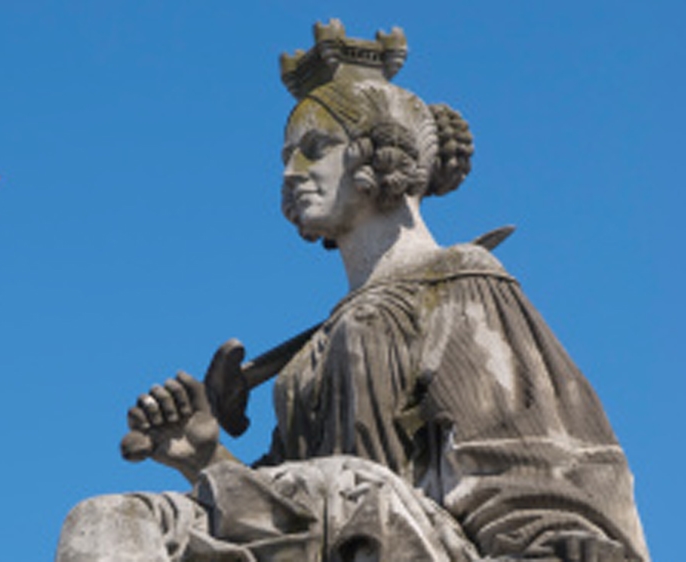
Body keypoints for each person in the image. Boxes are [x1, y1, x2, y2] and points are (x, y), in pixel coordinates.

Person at [56, 21, 649, 562]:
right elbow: (284, 516)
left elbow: (537, 465)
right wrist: (205, 458)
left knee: (342, 485)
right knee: (108, 521)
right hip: (348, 530)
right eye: (286, 157)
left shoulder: (461, 281)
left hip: (418, 537)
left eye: (315, 148)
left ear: (379, 151)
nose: (292, 173)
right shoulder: (313, 353)